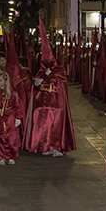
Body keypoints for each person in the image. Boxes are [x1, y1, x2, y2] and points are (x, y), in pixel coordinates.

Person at [29, 20, 75, 157]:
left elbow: (61, 84)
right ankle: (45, 147)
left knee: (56, 126)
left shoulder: (60, 70)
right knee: (44, 127)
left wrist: (52, 76)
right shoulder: (40, 72)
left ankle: (56, 147)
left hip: (56, 105)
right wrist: (37, 84)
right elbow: (36, 89)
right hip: (43, 105)